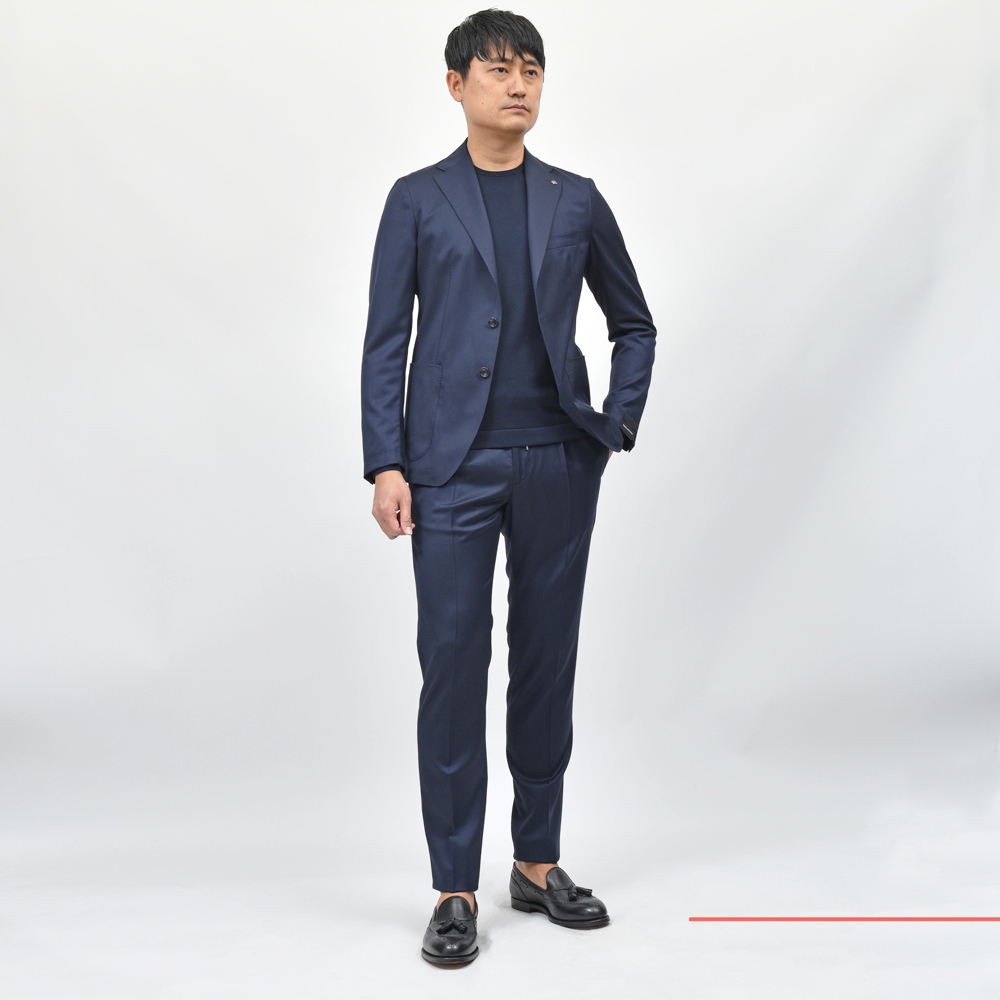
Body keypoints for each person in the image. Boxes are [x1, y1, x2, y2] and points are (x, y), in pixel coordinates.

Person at [360, 9, 656, 966]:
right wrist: (386, 462)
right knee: (453, 665)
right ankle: (455, 887)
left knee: (546, 662)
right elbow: (385, 342)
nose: (518, 83)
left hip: (557, 463)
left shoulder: (576, 199)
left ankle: (536, 863)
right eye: (497, 69)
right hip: (448, 470)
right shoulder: (417, 199)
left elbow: (634, 323)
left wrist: (613, 425)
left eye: (531, 68)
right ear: (457, 85)